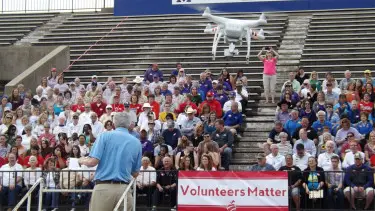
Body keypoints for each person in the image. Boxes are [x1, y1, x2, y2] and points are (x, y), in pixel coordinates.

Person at [79, 112, 142, 211]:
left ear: (113, 123)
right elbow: (135, 173)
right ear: (130, 124)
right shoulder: (136, 142)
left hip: (103, 188)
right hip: (124, 190)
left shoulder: (104, 136)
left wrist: (81, 160)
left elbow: (92, 162)